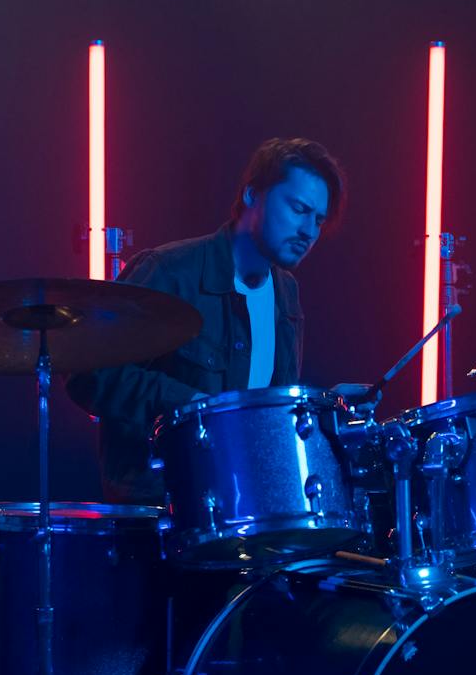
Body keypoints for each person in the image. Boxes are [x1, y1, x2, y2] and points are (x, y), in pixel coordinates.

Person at [67, 137, 347, 504]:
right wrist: (191, 405)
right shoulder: (170, 271)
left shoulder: (286, 293)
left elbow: (268, 414)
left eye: (318, 219)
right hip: (163, 513)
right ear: (252, 195)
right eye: (298, 208)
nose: (309, 231)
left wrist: (328, 406)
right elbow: (88, 373)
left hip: (245, 510)